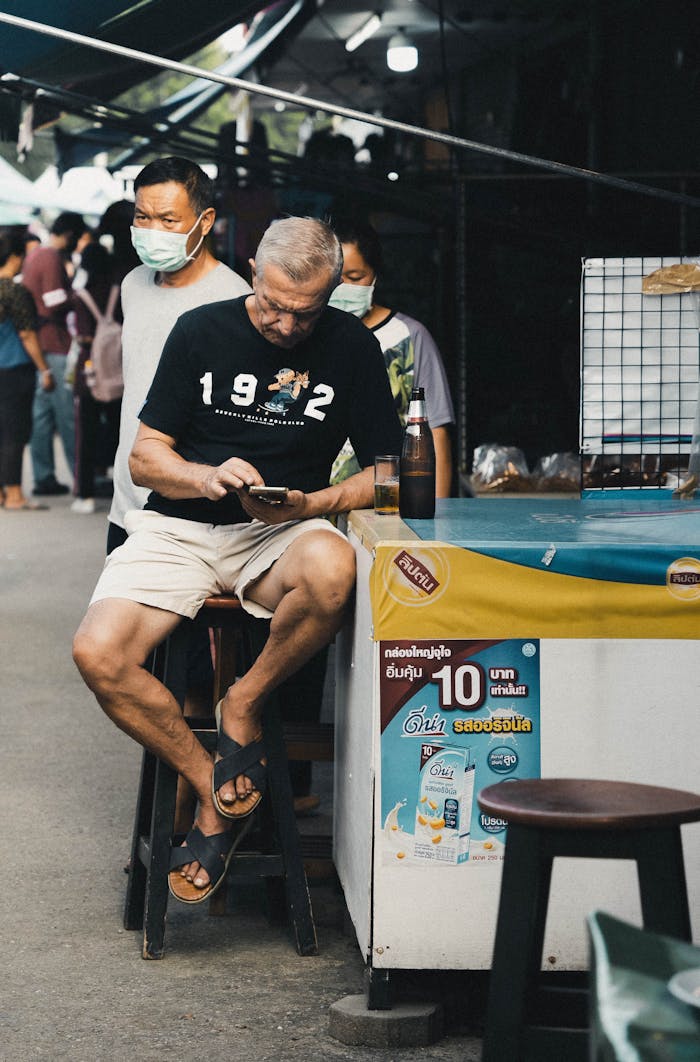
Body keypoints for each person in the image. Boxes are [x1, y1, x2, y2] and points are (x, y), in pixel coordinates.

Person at [73, 217, 403, 905]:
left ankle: (244, 701)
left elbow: (390, 473)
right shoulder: (201, 332)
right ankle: (210, 784)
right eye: (275, 304)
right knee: (97, 654)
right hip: (181, 528)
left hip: (281, 533)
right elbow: (145, 456)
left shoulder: (351, 347)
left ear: (333, 290)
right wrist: (204, 477)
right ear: (254, 268)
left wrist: (313, 501)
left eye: (304, 312)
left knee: (334, 569)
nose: (285, 325)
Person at [107, 156, 251, 554]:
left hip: (188, 513)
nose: (153, 230)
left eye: (168, 220)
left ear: (204, 222)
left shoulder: (233, 300)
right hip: (124, 505)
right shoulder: (133, 283)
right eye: (143, 217)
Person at [328, 218, 455, 496]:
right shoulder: (303, 333)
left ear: (375, 275)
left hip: (389, 503)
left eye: (355, 277)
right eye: (336, 278)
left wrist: (441, 513)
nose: (344, 287)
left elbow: (436, 431)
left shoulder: (409, 337)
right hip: (313, 506)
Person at [22, 211, 87, 496]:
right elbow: (53, 299)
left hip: (41, 342)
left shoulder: (36, 255)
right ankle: (78, 476)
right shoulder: (49, 257)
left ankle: (44, 475)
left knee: (43, 416)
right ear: (71, 234)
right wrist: (79, 297)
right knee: (66, 414)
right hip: (55, 342)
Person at [0, 230, 54, 510]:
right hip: (13, 368)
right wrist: (45, 370)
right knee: (14, 431)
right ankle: (14, 495)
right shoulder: (15, 291)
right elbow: (27, 336)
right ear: (15, 256)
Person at [71, 242, 123, 514]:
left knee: (86, 433)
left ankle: (85, 495)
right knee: (118, 429)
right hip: (119, 373)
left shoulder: (82, 296)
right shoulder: (120, 293)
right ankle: (119, 486)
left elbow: (83, 337)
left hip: (90, 374)